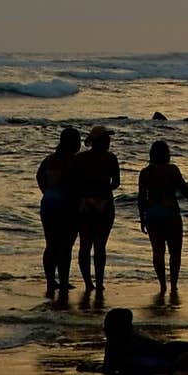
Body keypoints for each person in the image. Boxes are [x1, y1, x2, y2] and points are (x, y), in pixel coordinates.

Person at [138, 139, 188, 294]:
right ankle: (174, 285)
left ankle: (162, 284)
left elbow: (141, 198)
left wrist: (142, 217)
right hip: (171, 213)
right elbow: (185, 190)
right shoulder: (172, 170)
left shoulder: (145, 173)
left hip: (152, 214)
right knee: (175, 252)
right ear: (167, 154)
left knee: (158, 251)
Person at [72, 124, 120, 293]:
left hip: (85, 204)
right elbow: (116, 183)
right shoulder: (111, 158)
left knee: (85, 244)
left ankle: (88, 283)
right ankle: (98, 282)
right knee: (100, 246)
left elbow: (73, 182)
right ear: (100, 141)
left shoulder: (80, 158)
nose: (109, 141)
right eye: (106, 138)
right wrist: (103, 188)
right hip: (104, 204)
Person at [36, 126, 81, 299]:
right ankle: (63, 281)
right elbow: (78, 184)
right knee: (66, 245)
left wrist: (47, 192)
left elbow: (39, 177)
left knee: (51, 244)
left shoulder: (49, 159)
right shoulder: (74, 161)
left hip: (48, 202)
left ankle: (50, 280)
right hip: (67, 205)